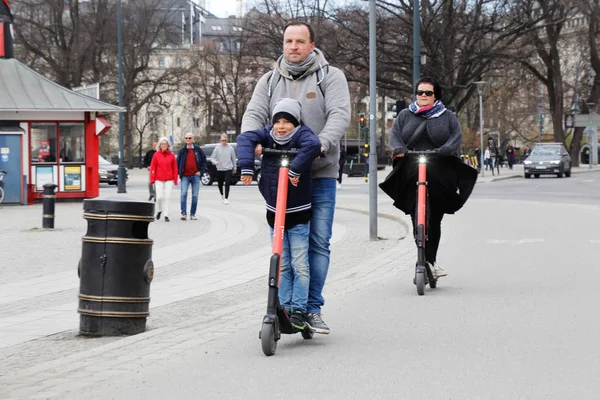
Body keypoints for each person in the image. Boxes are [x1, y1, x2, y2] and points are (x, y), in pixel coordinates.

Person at [241, 21, 351, 334]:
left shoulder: (330, 76)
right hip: (282, 174)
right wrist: (252, 140)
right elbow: (253, 114)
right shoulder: (270, 79)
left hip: (320, 173)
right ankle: (288, 306)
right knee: (285, 247)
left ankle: (312, 308)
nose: (293, 47)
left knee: (317, 243)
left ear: (312, 45)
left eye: (300, 41)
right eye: (289, 41)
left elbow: (340, 115)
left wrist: (322, 145)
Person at [379, 76, 477, 278]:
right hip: (412, 165)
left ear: (435, 96)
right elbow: (395, 134)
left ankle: (430, 261)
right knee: (417, 213)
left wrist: (445, 150)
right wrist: (399, 149)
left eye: (428, 93)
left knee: (436, 217)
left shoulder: (447, 116)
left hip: (439, 166)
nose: (423, 96)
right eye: (420, 92)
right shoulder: (406, 115)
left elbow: (455, 136)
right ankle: (421, 251)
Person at [238, 98, 322, 330]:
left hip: (298, 214)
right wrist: (246, 166)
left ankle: (299, 308)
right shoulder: (267, 134)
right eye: (278, 121)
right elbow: (245, 138)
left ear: (296, 123)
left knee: (299, 264)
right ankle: (283, 306)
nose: (282, 126)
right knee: (282, 264)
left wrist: (295, 168)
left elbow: (313, 145)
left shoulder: (302, 135)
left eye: (287, 121)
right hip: (275, 212)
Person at [176, 133, 207, 220]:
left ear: (193, 139)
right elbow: (177, 163)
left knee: (195, 196)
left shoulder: (198, 150)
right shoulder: (182, 151)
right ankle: (183, 213)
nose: (188, 139)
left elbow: (204, 161)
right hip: (185, 176)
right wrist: (178, 174)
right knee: (183, 194)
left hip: (195, 176)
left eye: (190, 138)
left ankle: (192, 214)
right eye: (186, 138)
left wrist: (201, 172)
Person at [150, 137, 178, 222]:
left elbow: (175, 168)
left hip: (169, 179)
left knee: (168, 197)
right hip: (159, 179)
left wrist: (175, 179)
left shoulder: (171, 155)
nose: (164, 145)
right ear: (160, 145)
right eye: (162, 144)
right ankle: (159, 210)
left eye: (165, 144)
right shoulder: (156, 155)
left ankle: (166, 215)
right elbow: (152, 168)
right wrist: (152, 179)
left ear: (168, 145)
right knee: (159, 197)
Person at [211, 134, 237, 205]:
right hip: (220, 168)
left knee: (227, 183)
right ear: (220, 140)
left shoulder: (230, 148)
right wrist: (215, 162)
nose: (224, 142)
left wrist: (234, 168)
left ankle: (226, 198)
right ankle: (222, 195)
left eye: (225, 140)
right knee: (220, 184)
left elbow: (233, 159)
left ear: (227, 140)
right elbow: (212, 158)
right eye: (222, 140)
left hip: (228, 168)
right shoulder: (217, 148)